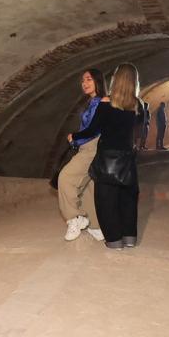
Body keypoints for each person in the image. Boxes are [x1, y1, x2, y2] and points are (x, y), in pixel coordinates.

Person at [69, 63, 144, 249]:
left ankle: (114, 241)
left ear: (115, 80)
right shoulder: (138, 106)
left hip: (107, 159)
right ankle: (130, 238)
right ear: (134, 81)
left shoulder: (105, 103)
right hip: (127, 159)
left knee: (106, 201)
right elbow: (139, 129)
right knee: (128, 200)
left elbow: (93, 129)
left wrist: (74, 136)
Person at [57, 69, 107, 242]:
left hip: (93, 147)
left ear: (98, 81)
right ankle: (95, 226)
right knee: (88, 188)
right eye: (82, 81)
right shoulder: (91, 101)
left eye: (88, 79)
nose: (84, 83)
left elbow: (94, 129)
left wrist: (75, 136)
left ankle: (75, 218)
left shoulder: (102, 101)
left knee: (65, 178)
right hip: (86, 146)